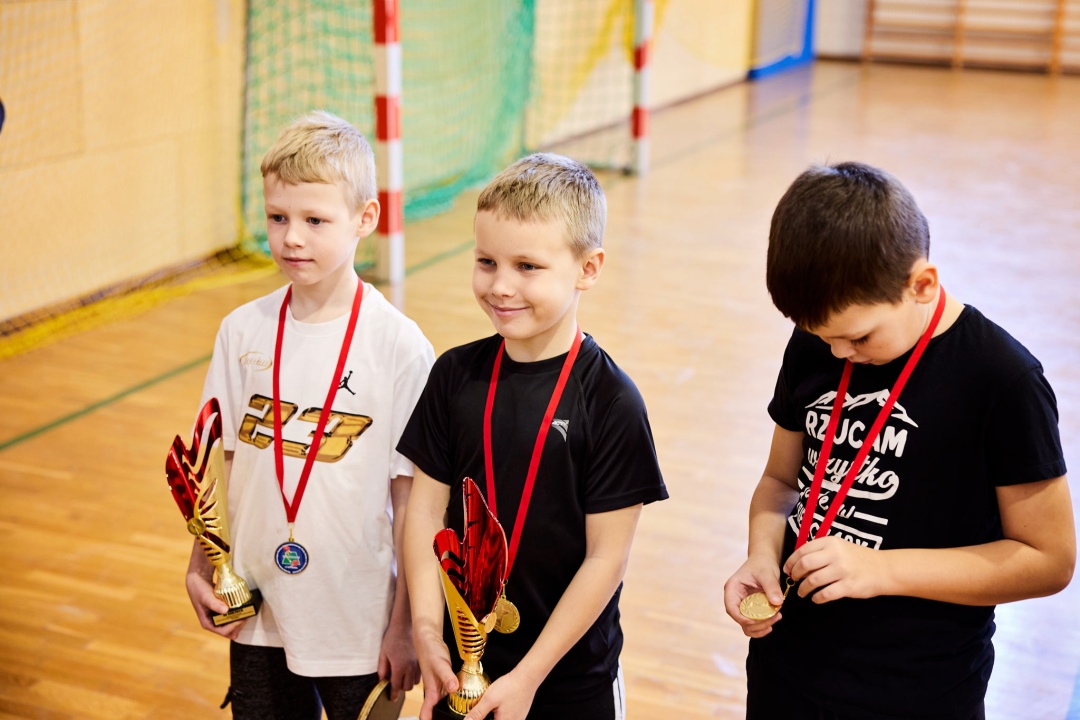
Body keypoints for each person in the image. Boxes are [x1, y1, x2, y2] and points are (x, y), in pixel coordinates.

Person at [723, 161, 1075, 719]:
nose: (839, 353)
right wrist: (762, 553)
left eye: (859, 338)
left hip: (917, 689)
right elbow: (779, 481)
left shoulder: (1003, 380)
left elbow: (1048, 560)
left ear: (922, 285)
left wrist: (880, 569)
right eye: (822, 337)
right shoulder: (819, 342)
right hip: (786, 670)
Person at [399, 152, 668, 720]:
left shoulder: (612, 401)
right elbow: (424, 513)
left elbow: (606, 559)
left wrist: (527, 678)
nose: (500, 286)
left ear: (588, 268)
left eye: (527, 266)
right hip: (462, 669)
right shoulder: (453, 375)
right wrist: (425, 629)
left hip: (567, 680)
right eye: (486, 261)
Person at [186, 110, 433, 719]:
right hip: (258, 607)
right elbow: (219, 466)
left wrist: (405, 624)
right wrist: (202, 564)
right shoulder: (240, 330)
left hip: (358, 617)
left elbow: (412, 502)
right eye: (278, 217)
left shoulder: (399, 347)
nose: (291, 238)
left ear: (365, 219)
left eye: (315, 220)